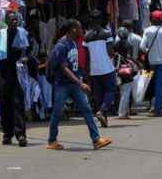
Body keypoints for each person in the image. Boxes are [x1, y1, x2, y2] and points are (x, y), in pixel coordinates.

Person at [46, 19, 112, 150]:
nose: (83, 30)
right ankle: (52, 140)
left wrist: (81, 79)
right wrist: (80, 83)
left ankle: (96, 139)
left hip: (75, 84)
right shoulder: (61, 45)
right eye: (80, 28)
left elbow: (74, 65)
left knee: (87, 110)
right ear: (73, 30)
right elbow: (64, 68)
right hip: (62, 85)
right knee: (57, 112)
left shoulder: (74, 43)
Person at [0, 11, 30, 147]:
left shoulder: (22, 34)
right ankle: (7, 134)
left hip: (18, 75)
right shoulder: (0, 35)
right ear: (7, 22)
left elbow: (27, 53)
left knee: (18, 104)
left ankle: (21, 135)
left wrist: (26, 59)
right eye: (12, 20)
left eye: (16, 20)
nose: (14, 22)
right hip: (3, 75)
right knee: (5, 106)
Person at [84, 10, 118, 128]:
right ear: (100, 20)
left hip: (94, 70)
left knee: (99, 95)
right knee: (111, 91)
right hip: (107, 68)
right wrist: (113, 54)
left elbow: (86, 56)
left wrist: (87, 72)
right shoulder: (106, 34)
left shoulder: (86, 36)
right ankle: (102, 111)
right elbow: (110, 52)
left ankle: (104, 119)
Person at [140, 11, 162, 117]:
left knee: (151, 84)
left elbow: (142, 47)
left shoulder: (147, 30)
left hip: (152, 62)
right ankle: (157, 110)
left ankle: (152, 106)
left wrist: (148, 52)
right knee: (159, 86)